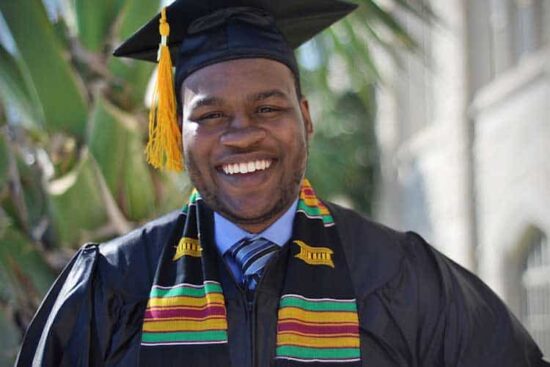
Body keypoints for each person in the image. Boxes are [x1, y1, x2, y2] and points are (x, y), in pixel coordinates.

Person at [15, 0, 549, 366]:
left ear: (306, 118)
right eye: (212, 115)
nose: (242, 135)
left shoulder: (401, 276)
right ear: (180, 133)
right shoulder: (113, 285)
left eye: (268, 107)